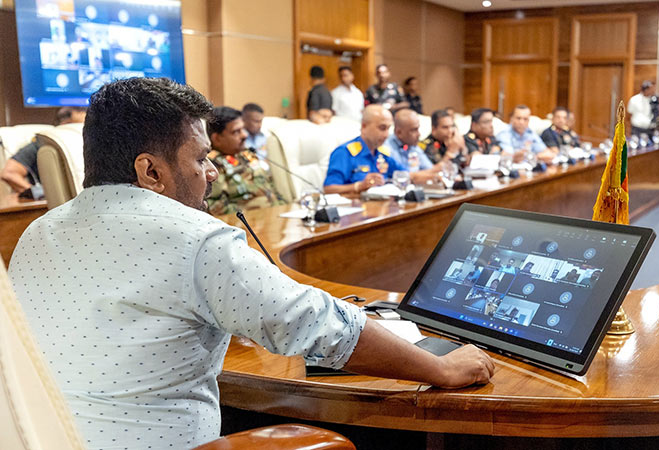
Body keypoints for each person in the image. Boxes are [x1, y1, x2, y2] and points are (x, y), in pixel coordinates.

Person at [8, 77, 494, 449]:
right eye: (200, 159)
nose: (212, 171)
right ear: (150, 171)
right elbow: (323, 327)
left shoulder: (34, 233)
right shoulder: (195, 240)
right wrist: (443, 369)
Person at [206, 106, 284, 215]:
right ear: (217, 138)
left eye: (243, 129)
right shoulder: (212, 166)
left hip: (276, 217)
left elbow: (272, 188)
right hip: (249, 225)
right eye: (236, 131)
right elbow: (215, 208)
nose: (244, 135)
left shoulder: (247, 155)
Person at [1, 106, 86, 195]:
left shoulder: (88, 143)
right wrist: (40, 194)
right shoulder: (42, 144)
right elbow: (9, 173)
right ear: (65, 124)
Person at [323, 104, 401, 193]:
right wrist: (359, 186)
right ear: (364, 126)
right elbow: (329, 189)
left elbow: (404, 175)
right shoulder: (345, 152)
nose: (386, 134)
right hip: (357, 205)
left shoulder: (382, 153)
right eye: (382, 128)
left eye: (388, 128)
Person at [386, 108, 441, 183]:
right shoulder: (386, 148)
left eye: (418, 129)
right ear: (399, 132)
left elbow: (431, 169)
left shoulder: (413, 146)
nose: (419, 134)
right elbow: (403, 176)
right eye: (414, 130)